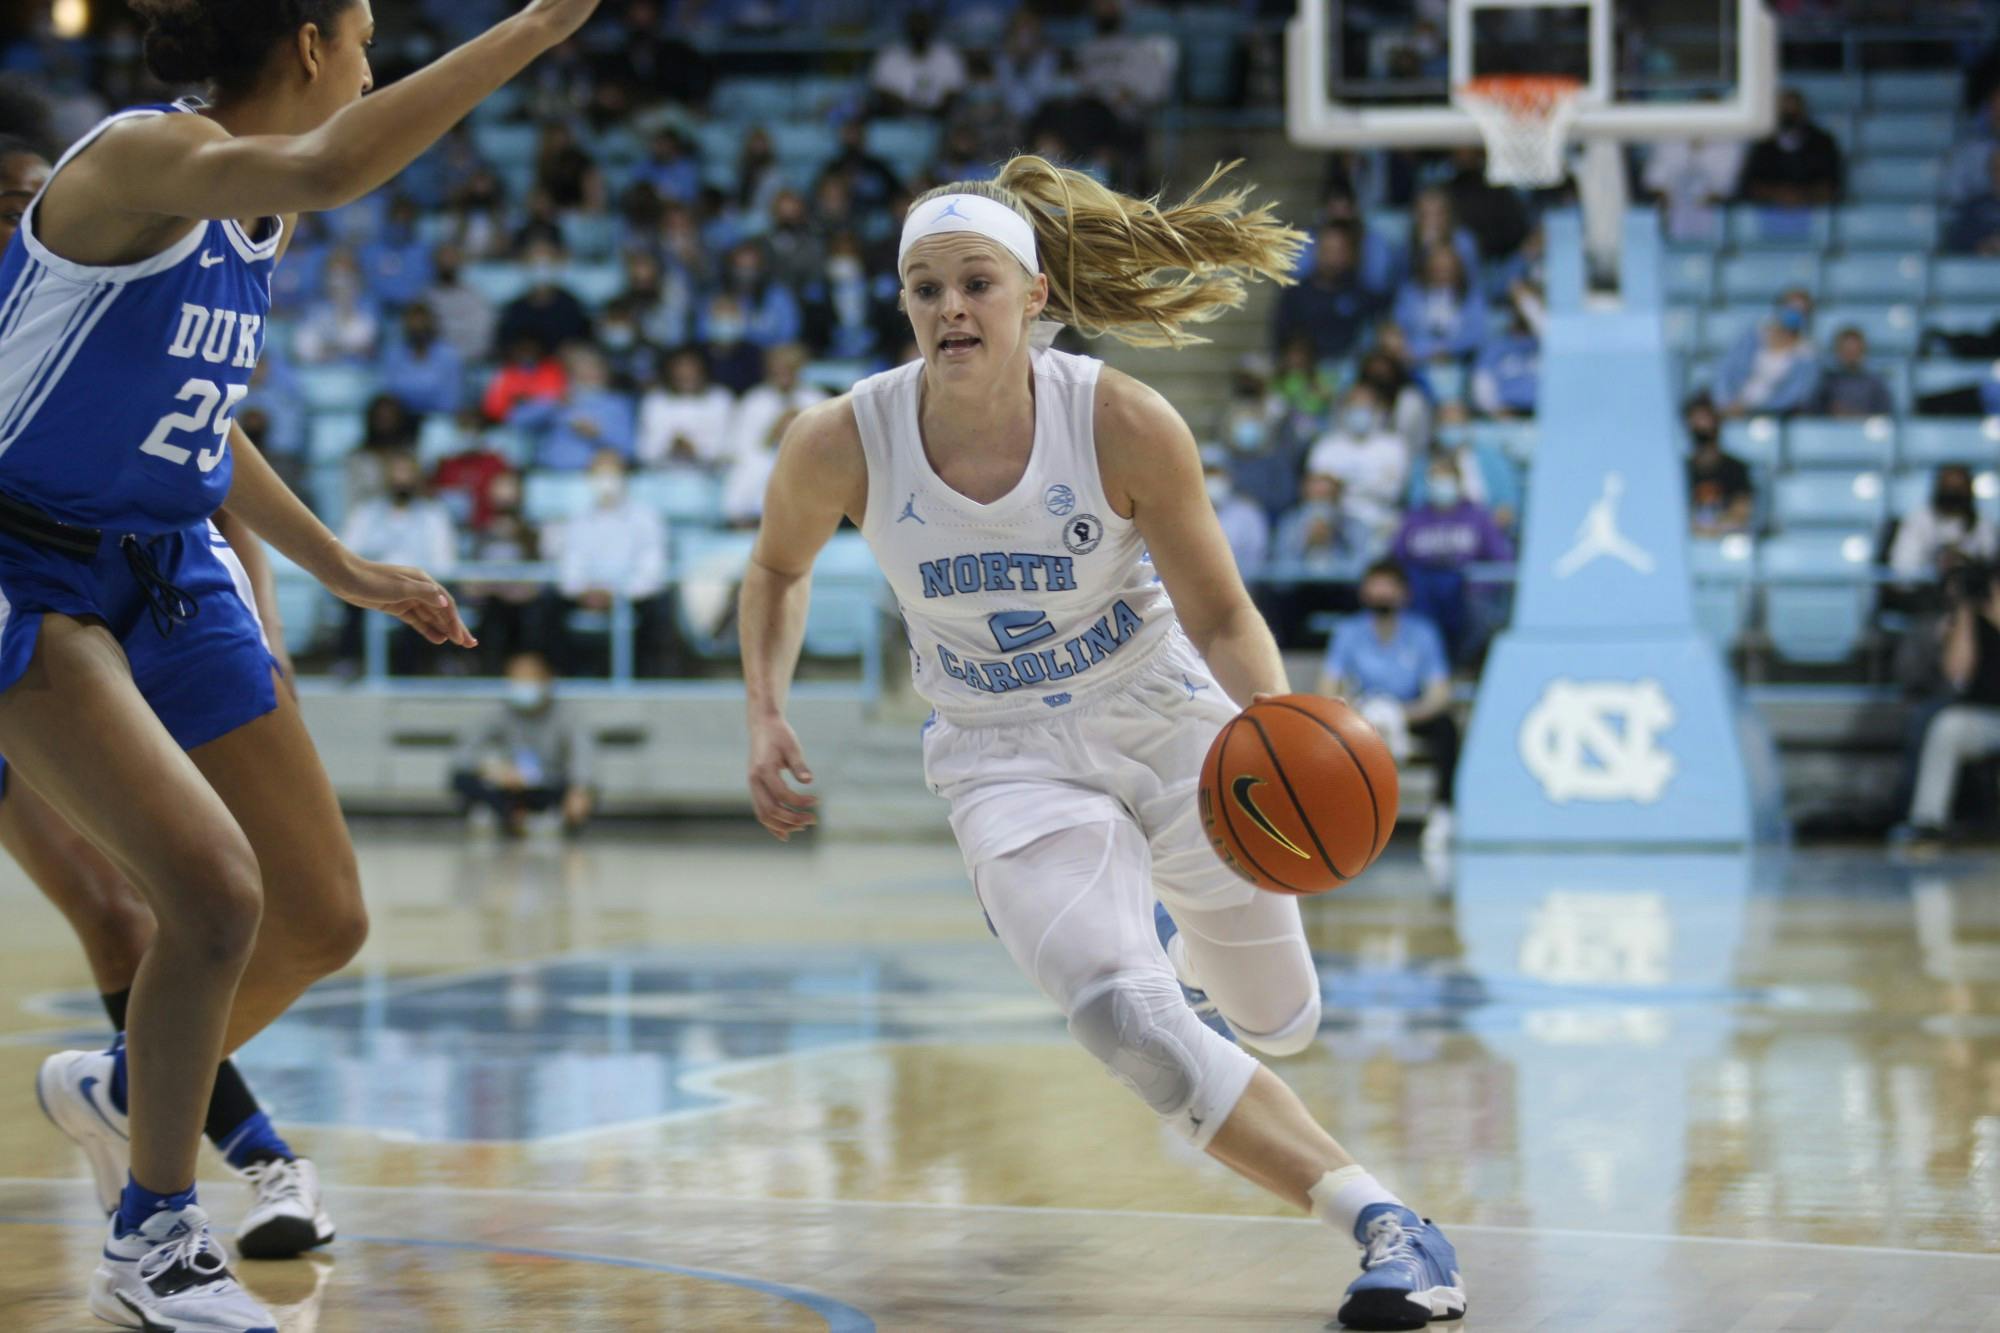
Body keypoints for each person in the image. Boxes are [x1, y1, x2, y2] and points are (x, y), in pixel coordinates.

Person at [739, 161, 1466, 1329]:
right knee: (1126, 1022)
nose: (949, 308)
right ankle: (1386, 1223)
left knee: (1281, 1020)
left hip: (1162, 717)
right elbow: (776, 569)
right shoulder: (842, 440)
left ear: (1034, 295)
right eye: (924, 288)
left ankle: (1160, 929)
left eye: (975, 283)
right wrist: (765, 709)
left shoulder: (1119, 419)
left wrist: (1273, 724)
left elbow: (1219, 612)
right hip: (999, 749)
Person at [11, 2, 584, 1327]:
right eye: (368, 38)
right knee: (211, 893)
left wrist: (338, 564)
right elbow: (333, 163)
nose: (372, 66)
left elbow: (200, 416)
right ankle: (155, 1244)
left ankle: (122, 1087)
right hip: (24, 555)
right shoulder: (145, 156)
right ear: (313, 44)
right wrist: (541, 25)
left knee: (320, 917)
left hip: (164, 555)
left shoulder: (250, 214)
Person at [0, 110, 333, 1265]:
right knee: (162, 904)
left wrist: (274, 610)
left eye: (33, 195)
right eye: (7, 202)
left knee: (155, 906)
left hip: (111, 597)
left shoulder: (103, 279)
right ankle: (216, 1163)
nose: (26, 214)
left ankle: (224, 1143)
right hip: (30, 589)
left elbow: (201, 447)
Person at [1319, 561, 1458, 855]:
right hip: (1362, 713)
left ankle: (1442, 813)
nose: (1382, 593)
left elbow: (1439, 692)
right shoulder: (1348, 631)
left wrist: (1402, 714)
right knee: (1322, 731)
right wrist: (1358, 714)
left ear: (1404, 593)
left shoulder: (1423, 633)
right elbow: (1329, 686)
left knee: (1447, 727)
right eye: (1376, 585)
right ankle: (1333, 816)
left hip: (1409, 712)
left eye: (1389, 586)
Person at [1894, 562, 2000, 844]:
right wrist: (1965, 611)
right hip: (1987, 718)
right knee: (1947, 726)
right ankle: (1927, 820)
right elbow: (1955, 673)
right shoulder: (1971, 621)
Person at [451, 651, 593, 836]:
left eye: (529, 678)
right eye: (517, 679)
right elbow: (463, 754)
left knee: (575, 789)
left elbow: (583, 754)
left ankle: (547, 818)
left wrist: (580, 789)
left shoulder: (567, 715)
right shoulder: (498, 712)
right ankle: (506, 817)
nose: (523, 685)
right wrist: (494, 768)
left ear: (547, 680)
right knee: (463, 779)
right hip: (508, 784)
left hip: (547, 783)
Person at [554, 450, 669, 674]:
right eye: (599, 473)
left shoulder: (646, 517)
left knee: (659, 608)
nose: (606, 480)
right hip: (587, 595)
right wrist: (584, 591)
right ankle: (563, 677)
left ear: (625, 477)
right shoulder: (577, 520)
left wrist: (617, 593)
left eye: (612, 473)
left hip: (632, 596)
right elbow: (569, 567)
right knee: (547, 606)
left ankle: (645, 678)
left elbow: (652, 570)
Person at [1390, 455, 1514, 661]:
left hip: (1467, 590)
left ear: (1458, 482)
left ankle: (1461, 662)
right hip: (1423, 591)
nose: (1441, 486)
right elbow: (1396, 559)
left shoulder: (1478, 516)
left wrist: (1479, 585)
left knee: (1476, 611)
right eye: (1435, 479)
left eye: (1445, 479)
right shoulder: (1414, 518)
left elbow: (1502, 559)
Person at [1307, 385, 1410, 550]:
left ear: (1377, 411)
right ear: (1344, 411)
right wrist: (1369, 485)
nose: (1360, 413)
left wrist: (1341, 485)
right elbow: (1317, 491)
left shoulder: (1393, 446)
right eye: (1354, 407)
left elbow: (1392, 491)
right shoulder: (1326, 446)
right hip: (1336, 522)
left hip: (1380, 522)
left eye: (1365, 408)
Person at [1271, 222, 1378, 362]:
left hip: (1350, 364)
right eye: (1327, 251)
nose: (1332, 259)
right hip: (1306, 366)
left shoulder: (1361, 293)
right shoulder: (1296, 293)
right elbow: (1282, 336)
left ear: (1350, 254)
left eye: (1338, 251)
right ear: (1317, 252)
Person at [1712, 290, 1820, 418]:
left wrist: (1753, 410)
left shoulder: (1807, 354)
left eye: (1801, 311)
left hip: (1769, 415)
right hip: (1732, 404)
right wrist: (1726, 401)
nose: (1795, 314)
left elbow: (1793, 395)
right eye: (1791, 308)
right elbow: (1727, 369)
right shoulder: (1753, 336)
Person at [1889, 464, 1999, 581]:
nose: (1953, 493)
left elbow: (1990, 562)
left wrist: (1965, 561)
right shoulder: (1918, 520)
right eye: (1948, 488)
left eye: (1959, 489)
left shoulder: (1982, 523)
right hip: (1926, 588)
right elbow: (1902, 567)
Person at [1738, 88, 1844, 208]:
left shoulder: (1822, 143)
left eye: (1793, 111)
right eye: (1785, 111)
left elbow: (1832, 184)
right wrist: (1779, 194)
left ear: (1803, 112)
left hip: (1813, 209)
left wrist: (1801, 196)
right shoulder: (1764, 142)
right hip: (1768, 210)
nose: (1789, 115)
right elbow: (1751, 185)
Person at [637, 345, 736, 470]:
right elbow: (644, 451)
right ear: (670, 372)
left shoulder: (720, 399)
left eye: (692, 369)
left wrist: (696, 450)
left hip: (711, 473)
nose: (687, 375)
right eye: (680, 370)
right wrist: (670, 446)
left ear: (703, 371)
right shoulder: (655, 401)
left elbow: (729, 449)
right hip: (662, 473)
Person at [1641, 137, 1747, 243]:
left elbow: (1662, 144)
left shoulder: (1654, 181)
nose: (1688, 208)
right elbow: (1734, 144)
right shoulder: (1724, 185)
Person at [1393, 245, 1487, 365]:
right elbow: (1399, 327)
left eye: (1447, 267)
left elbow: (1476, 335)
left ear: (1457, 269)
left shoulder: (1471, 297)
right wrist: (1416, 352)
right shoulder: (1410, 293)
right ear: (1427, 267)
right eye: (1437, 267)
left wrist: (1446, 350)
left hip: (1456, 362)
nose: (1442, 271)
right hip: (1412, 358)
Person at [1683, 394, 1756, 538]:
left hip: (1727, 538)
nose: (1702, 425)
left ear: (1717, 421)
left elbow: (1742, 512)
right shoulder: (1682, 471)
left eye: (1706, 419)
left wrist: (1713, 529)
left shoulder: (1736, 469)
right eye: (1696, 420)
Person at [1201, 445, 1270, 577]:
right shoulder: (1184, 516)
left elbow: (1257, 559)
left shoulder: (1248, 514)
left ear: (1228, 476)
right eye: (1206, 473)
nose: (1211, 478)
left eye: (1216, 473)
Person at [1807, 326, 1893, 418]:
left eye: (1854, 351)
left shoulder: (1875, 383)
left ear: (1862, 351)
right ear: (1838, 351)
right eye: (1846, 350)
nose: (1850, 355)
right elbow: (1814, 413)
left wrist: (1854, 415)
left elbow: (1884, 415)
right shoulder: (1826, 381)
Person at [1945, 148, 2000, 256]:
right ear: (1989, 171)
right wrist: (1981, 245)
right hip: (1980, 263)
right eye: (1997, 169)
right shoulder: (1974, 206)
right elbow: (1956, 242)